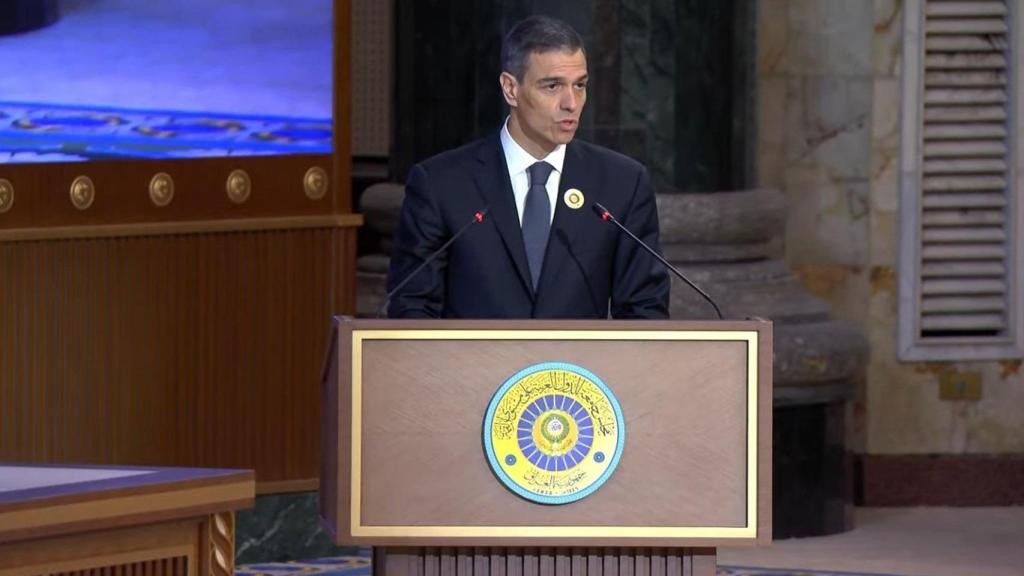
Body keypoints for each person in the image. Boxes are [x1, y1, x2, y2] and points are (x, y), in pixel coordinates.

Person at [386, 15, 669, 319]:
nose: (571, 103)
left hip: (578, 367)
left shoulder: (621, 183)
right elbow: (412, 311)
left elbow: (645, 313)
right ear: (511, 89)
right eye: (552, 86)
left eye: (580, 85)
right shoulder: (441, 184)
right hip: (474, 366)